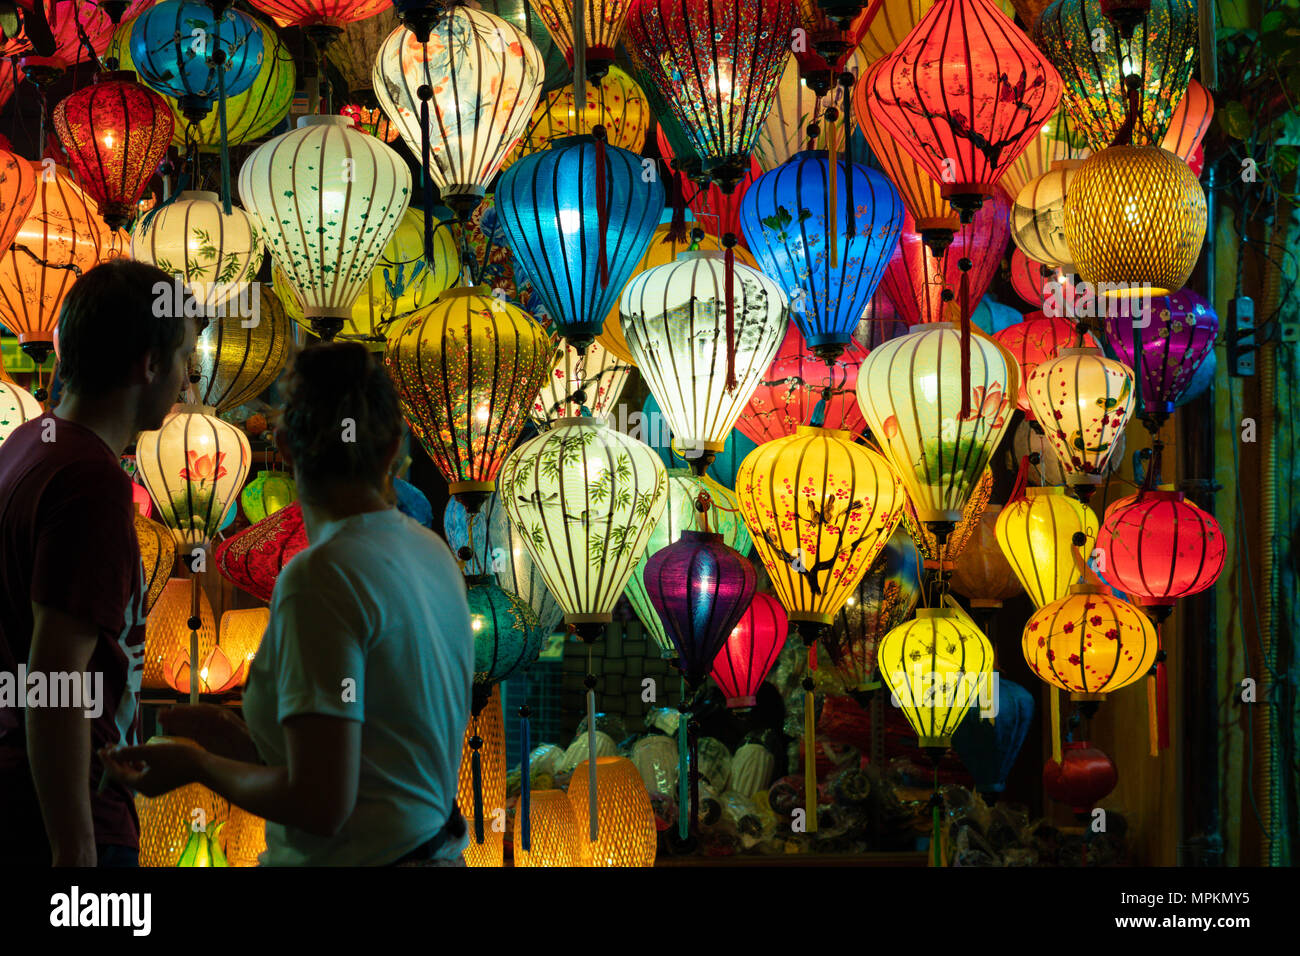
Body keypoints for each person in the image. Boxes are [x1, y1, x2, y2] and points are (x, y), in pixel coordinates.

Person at [102, 343, 474, 866]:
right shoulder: (433, 556)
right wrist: (240, 743)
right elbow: (376, 763)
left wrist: (197, 768)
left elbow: (321, 805)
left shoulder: (321, 577)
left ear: (284, 447)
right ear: (394, 448)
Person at [0, 259, 196, 867]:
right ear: (149, 364)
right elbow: (55, 681)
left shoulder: (27, 445)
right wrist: (76, 850)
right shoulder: (89, 480)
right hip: (65, 812)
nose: (190, 379)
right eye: (186, 357)